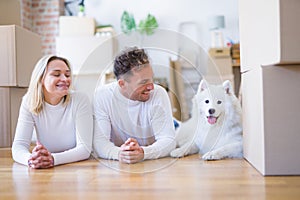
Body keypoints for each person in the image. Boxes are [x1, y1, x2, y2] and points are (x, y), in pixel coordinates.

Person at [93, 47, 176, 164]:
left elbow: (168, 140)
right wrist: (119, 154)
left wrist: (143, 152)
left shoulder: (158, 93)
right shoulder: (102, 96)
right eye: (143, 82)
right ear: (122, 84)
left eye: (151, 79)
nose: (151, 87)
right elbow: (100, 142)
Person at [12, 55, 93, 169]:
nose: (65, 79)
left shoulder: (80, 99)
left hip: (78, 168)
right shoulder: (28, 101)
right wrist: (31, 160)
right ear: (41, 78)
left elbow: (84, 149)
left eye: (67, 75)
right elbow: (18, 147)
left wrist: (53, 159)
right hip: (48, 169)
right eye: (56, 74)